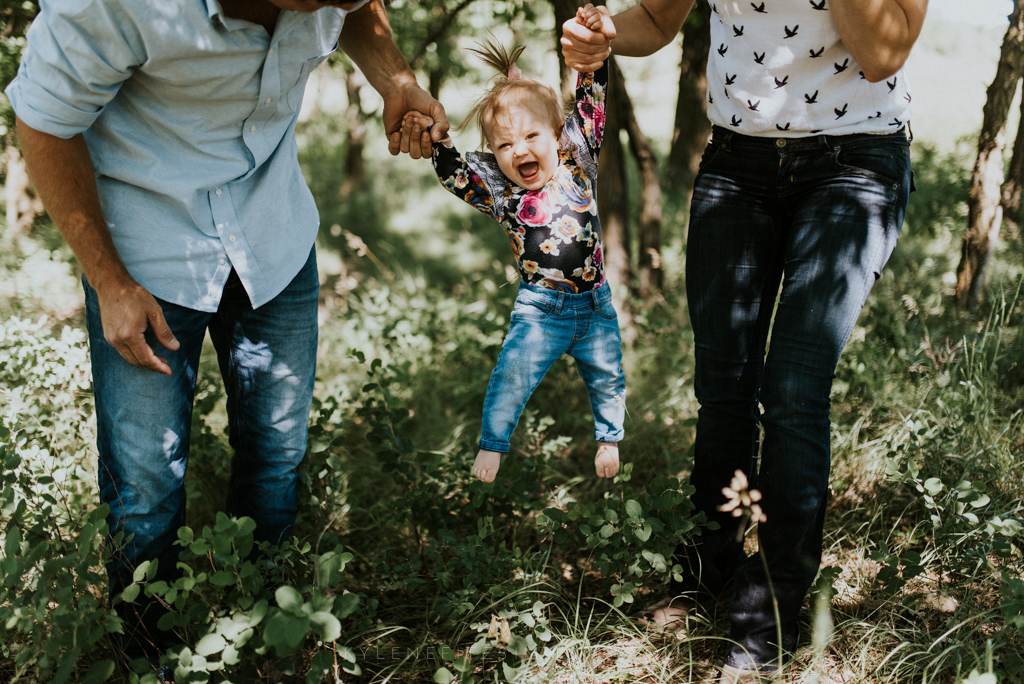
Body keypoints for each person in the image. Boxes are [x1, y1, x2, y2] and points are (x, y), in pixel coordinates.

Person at [6, 0, 447, 672]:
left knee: (277, 453)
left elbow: (358, 11)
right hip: (144, 255)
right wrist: (108, 281)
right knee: (145, 483)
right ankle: (145, 657)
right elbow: (42, 122)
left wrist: (396, 79)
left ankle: (268, 631)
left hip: (272, 234)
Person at [562, 0, 927, 680]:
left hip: (856, 162)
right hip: (738, 165)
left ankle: (776, 606)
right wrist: (607, 35)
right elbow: (657, 18)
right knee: (724, 386)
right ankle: (707, 566)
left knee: (793, 383)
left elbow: (885, 51)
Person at [399, 8, 624, 484]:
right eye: (504, 145)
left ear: (557, 133)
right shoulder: (502, 193)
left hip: (596, 302)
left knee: (607, 374)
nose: (519, 150)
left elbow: (593, 101)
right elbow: (457, 175)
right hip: (542, 309)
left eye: (530, 137)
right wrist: (438, 143)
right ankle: (492, 444)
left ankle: (609, 437)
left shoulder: (577, 162)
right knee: (512, 375)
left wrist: (592, 57)